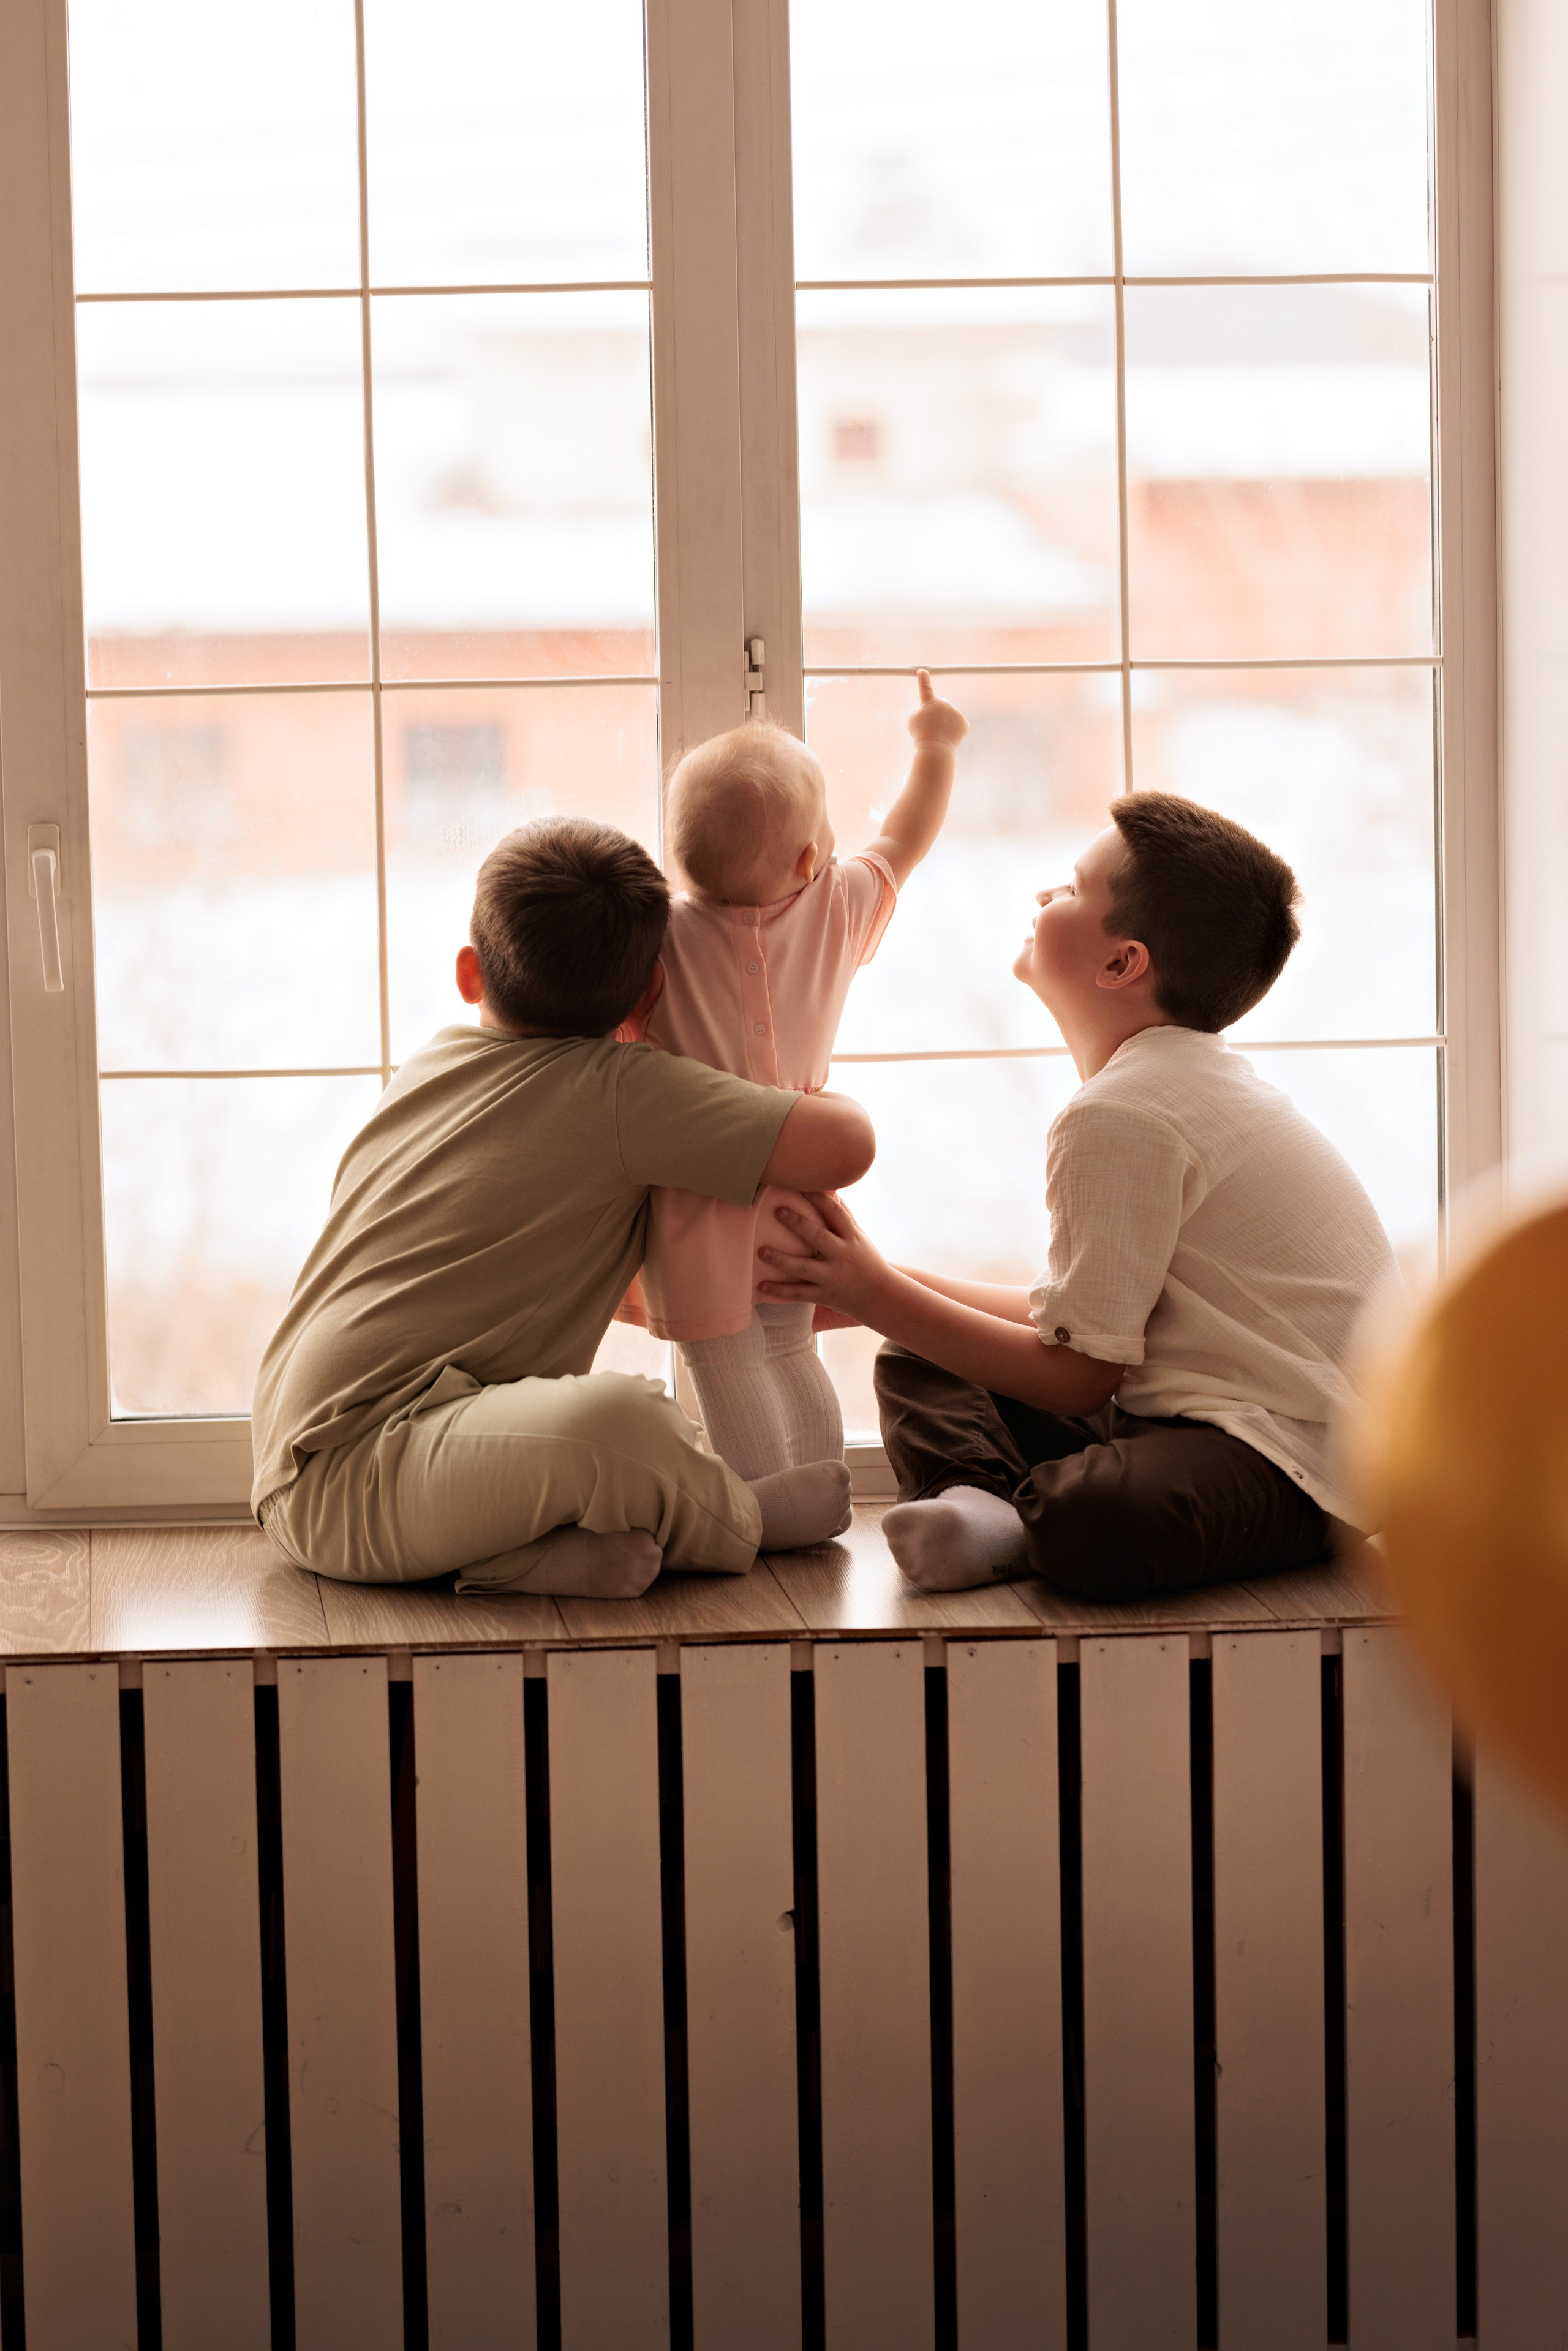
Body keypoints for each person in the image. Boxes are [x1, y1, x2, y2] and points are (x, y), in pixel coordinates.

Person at [757, 790, 1398, 1599]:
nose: (1041, 896)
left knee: (1101, 1516)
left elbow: (1078, 1377)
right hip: (1186, 1414)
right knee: (920, 1349)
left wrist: (879, 1291)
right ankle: (981, 1510)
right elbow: (1078, 1322)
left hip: (1296, 1458)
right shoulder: (1170, 1084)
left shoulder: (1125, 1112)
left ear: (1122, 962)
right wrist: (882, 1289)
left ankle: (1018, 1522)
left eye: (1069, 887)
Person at [251, 817, 873, 1602]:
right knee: (624, 1420)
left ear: (470, 974)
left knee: (592, 1429)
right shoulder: (620, 1089)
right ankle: (741, 1517)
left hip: (307, 1450)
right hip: (357, 1477)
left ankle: (511, 1562)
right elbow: (846, 1144)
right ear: (651, 993)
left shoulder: (432, 1063)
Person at [621, 671, 967, 1479]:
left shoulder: (655, 939)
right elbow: (908, 835)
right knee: (788, 1343)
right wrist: (936, 743)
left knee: (726, 1359)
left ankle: (767, 1504)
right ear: (811, 855)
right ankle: (823, 1485)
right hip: (799, 1171)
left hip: (695, 1183)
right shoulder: (838, 904)